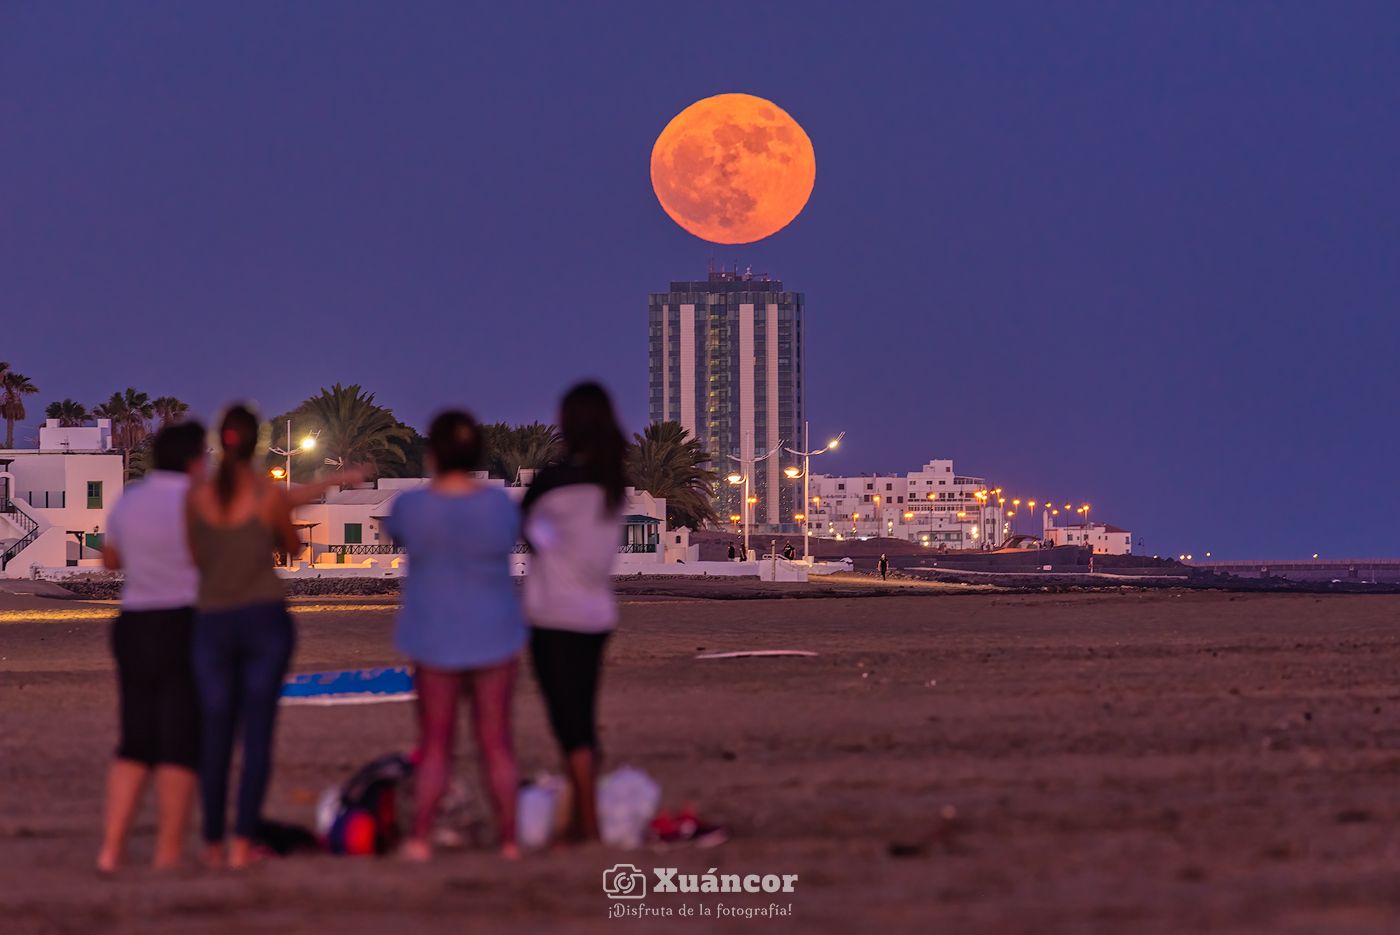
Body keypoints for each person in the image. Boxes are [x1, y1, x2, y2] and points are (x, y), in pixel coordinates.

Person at [186, 404, 351, 869]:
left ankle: (212, 844)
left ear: (220, 441)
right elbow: (293, 548)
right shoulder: (266, 493)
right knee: (257, 735)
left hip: (212, 621)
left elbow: (194, 555)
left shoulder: (196, 498)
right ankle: (242, 845)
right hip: (263, 619)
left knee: (215, 736)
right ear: (258, 443)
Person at [386, 410, 525, 861]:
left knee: (436, 745)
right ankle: (509, 841)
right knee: (496, 743)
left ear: (432, 455)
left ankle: (421, 837)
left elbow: (399, 537)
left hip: (433, 637)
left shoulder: (410, 507)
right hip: (495, 635)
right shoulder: (500, 506)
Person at [96, 421, 207, 873]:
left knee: (135, 738)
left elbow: (110, 560)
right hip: (183, 619)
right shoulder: (199, 502)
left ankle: (111, 848)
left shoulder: (130, 499)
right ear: (195, 460)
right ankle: (168, 850)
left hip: (133, 623)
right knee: (180, 740)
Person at [521, 382, 627, 842]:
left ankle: (587, 821)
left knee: (569, 722)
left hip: (552, 615)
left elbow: (530, 533)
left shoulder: (551, 483)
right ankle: (578, 815)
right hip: (597, 615)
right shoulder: (613, 484)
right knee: (581, 712)